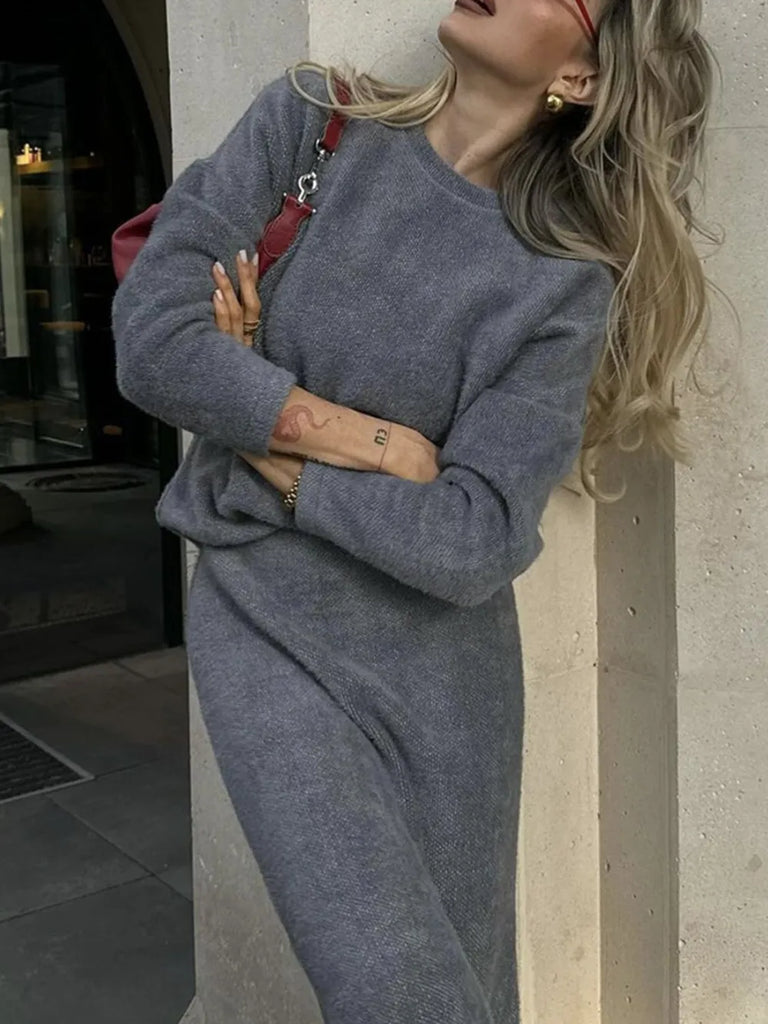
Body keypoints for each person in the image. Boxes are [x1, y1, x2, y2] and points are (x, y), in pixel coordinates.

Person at [111, 1, 717, 1021]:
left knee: (468, 986)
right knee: (397, 992)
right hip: (265, 619)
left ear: (580, 77)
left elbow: (475, 538)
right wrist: (375, 444)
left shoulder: (562, 283)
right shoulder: (309, 126)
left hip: (446, 673)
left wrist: (255, 424)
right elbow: (156, 346)